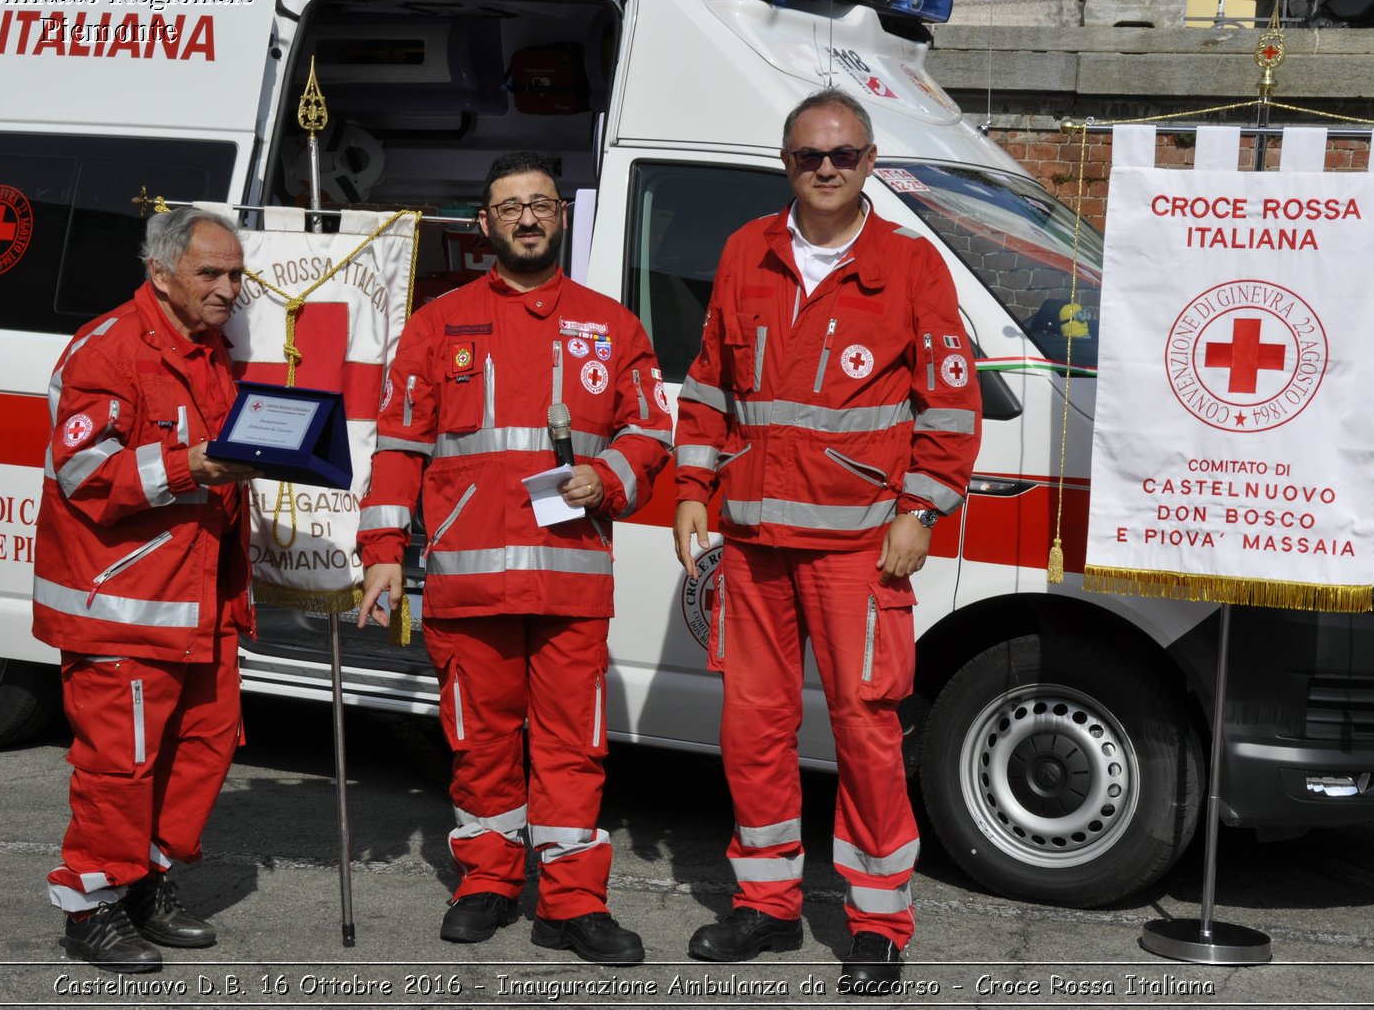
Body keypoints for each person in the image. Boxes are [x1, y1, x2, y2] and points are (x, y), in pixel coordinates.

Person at [672, 89, 982, 994]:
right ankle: (765, 904)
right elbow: (708, 384)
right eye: (809, 154)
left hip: (858, 551)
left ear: (871, 161)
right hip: (756, 541)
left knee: (867, 735)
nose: (826, 168)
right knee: (753, 731)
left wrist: (920, 509)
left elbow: (952, 404)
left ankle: (878, 922)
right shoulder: (746, 251)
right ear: (786, 162)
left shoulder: (912, 265)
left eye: (842, 154)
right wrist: (692, 486)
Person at [356, 151, 672, 965]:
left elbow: (651, 432)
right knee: (480, 741)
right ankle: (487, 881)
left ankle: (572, 901)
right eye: (509, 207)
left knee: (572, 746)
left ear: (562, 214)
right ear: (485, 224)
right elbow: (398, 444)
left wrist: (607, 478)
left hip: (570, 579)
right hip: (471, 580)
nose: (526, 218)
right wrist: (383, 551)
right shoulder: (437, 323)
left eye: (539, 203)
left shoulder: (613, 324)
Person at [32, 206, 259, 973]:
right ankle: (91, 905)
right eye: (212, 274)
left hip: (203, 604)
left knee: (204, 747)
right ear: (161, 273)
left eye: (236, 274)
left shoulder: (213, 351)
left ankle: (144, 882)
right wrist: (189, 465)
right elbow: (82, 473)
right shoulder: (108, 349)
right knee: (119, 766)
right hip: (124, 608)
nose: (230, 288)